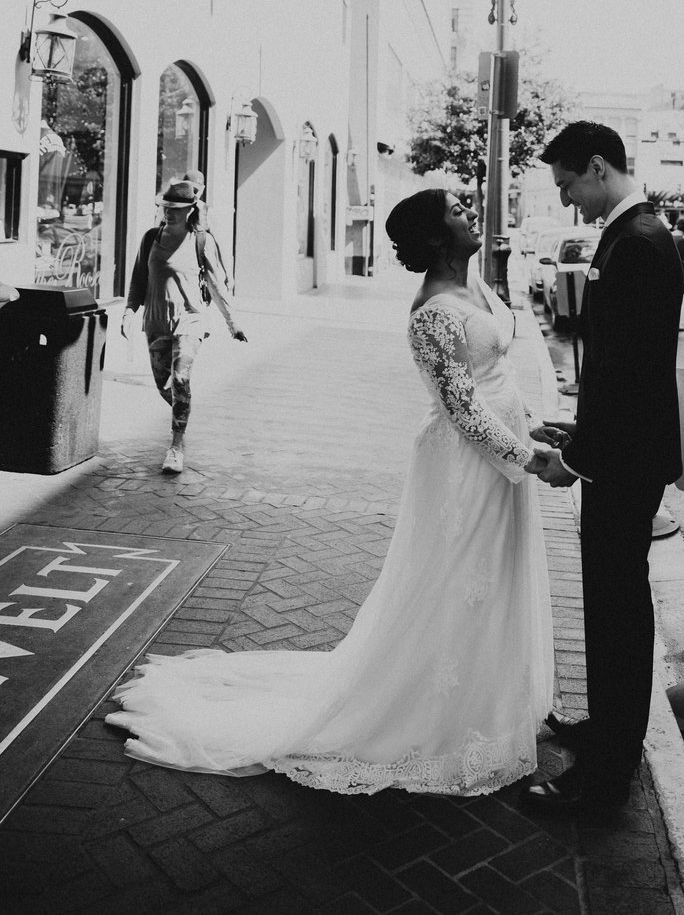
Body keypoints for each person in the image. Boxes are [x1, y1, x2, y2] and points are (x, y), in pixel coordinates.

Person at [107, 189, 555, 797]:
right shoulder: (432, 313)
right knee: (456, 581)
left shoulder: (478, 286)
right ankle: (437, 713)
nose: (470, 214)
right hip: (464, 468)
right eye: (457, 210)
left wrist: (534, 424)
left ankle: (488, 699)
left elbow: (493, 375)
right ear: (433, 235)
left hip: (501, 453)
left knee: (493, 578)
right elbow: (463, 409)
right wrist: (530, 458)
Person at [526, 121, 684, 812]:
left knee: (617, 608)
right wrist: (581, 425)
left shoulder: (640, 243)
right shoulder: (631, 236)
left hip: (624, 461)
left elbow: (629, 373)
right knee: (606, 602)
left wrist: (576, 457)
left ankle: (605, 776)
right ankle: (605, 728)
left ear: (596, 167)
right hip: (620, 448)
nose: (569, 203)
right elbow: (620, 365)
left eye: (568, 185)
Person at [121, 179, 246, 474]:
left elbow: (216, 285)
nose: (169, 212)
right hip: (155, 320)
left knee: (180, 378)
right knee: (166, 386)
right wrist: (128, 311)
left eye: (176, 208)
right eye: (166, 207)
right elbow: (139, 279)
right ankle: (182, 410)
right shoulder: (151, 237)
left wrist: (232, 321)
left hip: (190, 319)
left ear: (190, 210)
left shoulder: (201, 241)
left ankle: (176, 446)